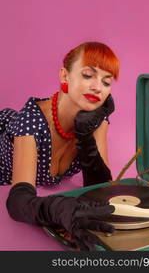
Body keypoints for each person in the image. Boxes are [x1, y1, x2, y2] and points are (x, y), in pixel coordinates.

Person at [0, 41, 120, 250]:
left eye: (106, 81)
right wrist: (56, 209)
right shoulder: (31, 122)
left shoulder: (96, 123)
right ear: (65, 76)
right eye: (88, 75)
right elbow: (18, 202)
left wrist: (85, 136)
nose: (97, 87)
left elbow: (100, 187)